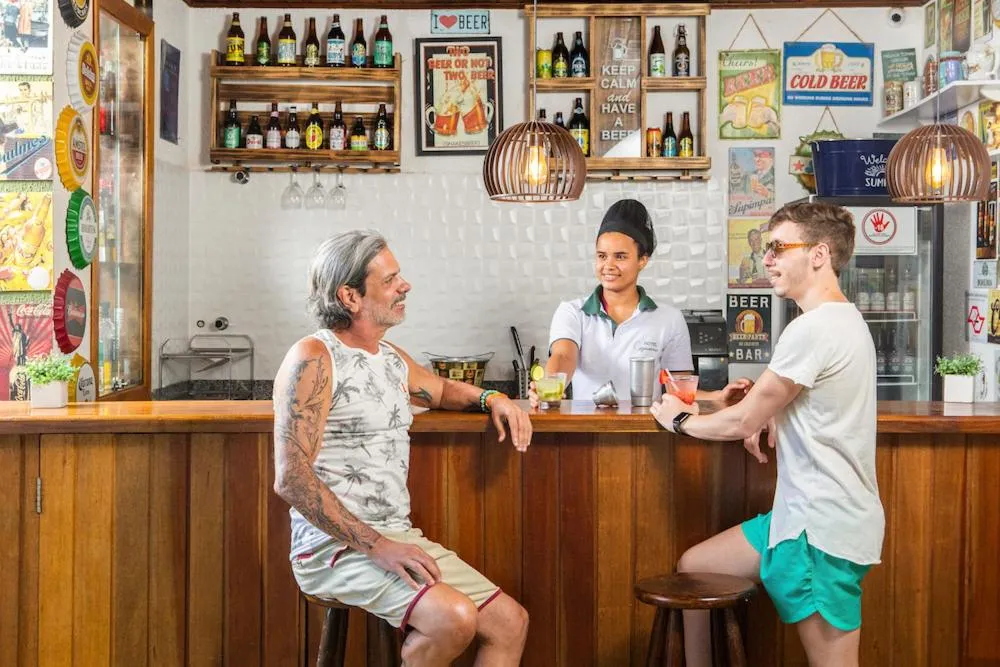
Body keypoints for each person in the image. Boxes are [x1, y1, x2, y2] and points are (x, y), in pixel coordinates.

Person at [273, 230, 532, 666]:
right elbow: (291, 478)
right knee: (453, 618)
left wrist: (494, 399)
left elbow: (443, 390)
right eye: (391, 279)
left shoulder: (389, 357)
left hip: (396, 537)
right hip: (332, 547)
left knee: (510, 623)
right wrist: (377, 545)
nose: (405, 286)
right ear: (350, 295)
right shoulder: (315, 356)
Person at [650, 202, 884, 667]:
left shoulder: (814, 328)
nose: (768, 258)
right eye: (768, 248)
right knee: (697, 567)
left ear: (818, 254)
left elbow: (741, 422)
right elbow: (799, 399)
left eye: (779, 248)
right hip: (800, 518)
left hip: (819, 529)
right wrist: (773, 411)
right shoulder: (842, 319)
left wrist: (679, 418)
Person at [530, 198, 749, 406]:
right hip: (586, 437)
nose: (608, 265)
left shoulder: (669, 320)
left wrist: (719, 396)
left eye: (620, 256)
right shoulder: (572, 312)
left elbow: (678, 390)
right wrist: (549, 386)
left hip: (644, 436)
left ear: (643, 260)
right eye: (601, 256)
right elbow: (564, 356)